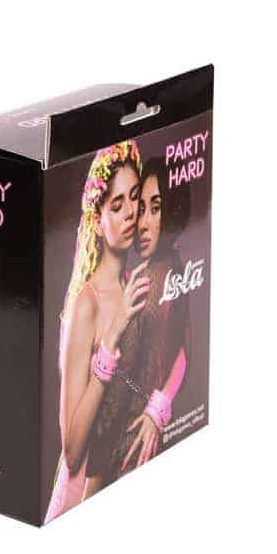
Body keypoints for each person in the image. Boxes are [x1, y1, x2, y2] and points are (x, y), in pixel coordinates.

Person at [44, 140, 149, 523]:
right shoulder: (86, 304)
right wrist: (111, 336)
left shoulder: (135, 285)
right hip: (76, 504)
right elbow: (72, 451)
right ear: (98, 220)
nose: (130, 213)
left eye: (134, 198)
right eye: (116, 206)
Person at [83, 156, 191, 496]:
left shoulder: (150, 281)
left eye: (155, 209)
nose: (141, 223)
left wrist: (93, 477)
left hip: (120, 457)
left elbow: (117, 395)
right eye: (139, 208)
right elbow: (184, 349)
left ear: (173, 209)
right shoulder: (173, 267)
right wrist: (160, 404)